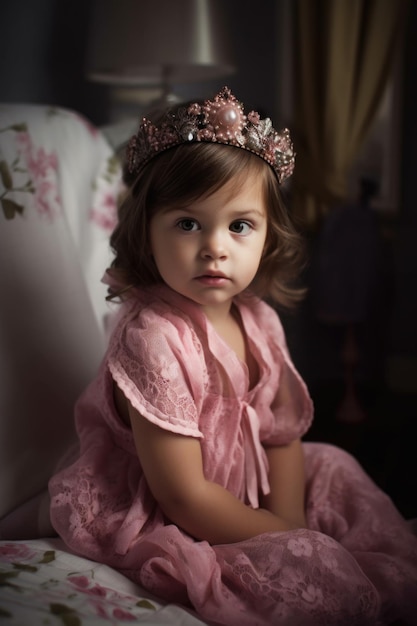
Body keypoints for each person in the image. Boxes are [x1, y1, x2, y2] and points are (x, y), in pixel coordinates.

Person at [49, 87, 417, 626]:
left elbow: (281, 434)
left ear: (267, 237)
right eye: (188, 223)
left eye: (239, 225)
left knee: (335, 466)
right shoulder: (152, 334)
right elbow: (184, 495)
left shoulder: (260, 320)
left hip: (249, 487)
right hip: (175, 508)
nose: (215, 246)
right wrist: (288, 539)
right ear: (145, 231)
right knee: (310, 570)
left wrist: (288, 520)